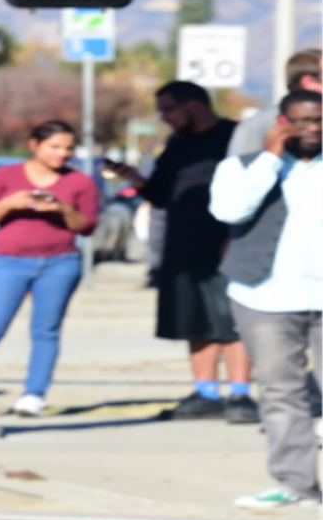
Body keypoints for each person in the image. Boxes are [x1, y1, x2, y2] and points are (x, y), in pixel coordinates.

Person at [107, 81, 258, 424]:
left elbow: (257, 189)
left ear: (194, 104)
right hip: (183, 247)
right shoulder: (176, 143)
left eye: (168, 109)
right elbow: (161, 195)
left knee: (231, 323)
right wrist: (135, 178)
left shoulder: (236, 138)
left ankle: (240, 394)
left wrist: (239, 237)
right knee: (194, 322)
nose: (164, 117)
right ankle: (205, 393)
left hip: (226, 245)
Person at [210, 90, 322, 509]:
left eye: (320, 120)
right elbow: (230, 211)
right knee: (282, 393)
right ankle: (297, 484)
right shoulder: (240, 168)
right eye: (303, 120)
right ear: (282, 123)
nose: (312, 129)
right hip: (266, 296)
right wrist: (270, 161)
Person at [0, 120, 99, 417]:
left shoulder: (79, 182)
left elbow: (86, 227)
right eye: (54, 147)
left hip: (60, 263)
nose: (62, 154)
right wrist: (9, 203)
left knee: (46, 330)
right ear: (34, 145)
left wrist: (62, 208)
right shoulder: (4, 175)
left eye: (68, 148)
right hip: (7, 262)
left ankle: (34, 394)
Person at [227, 49, 321, 157]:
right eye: (305, 121)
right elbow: (239, 169)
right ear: (309, 82)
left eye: (319, 120)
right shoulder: (259, 126)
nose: (315, 128)